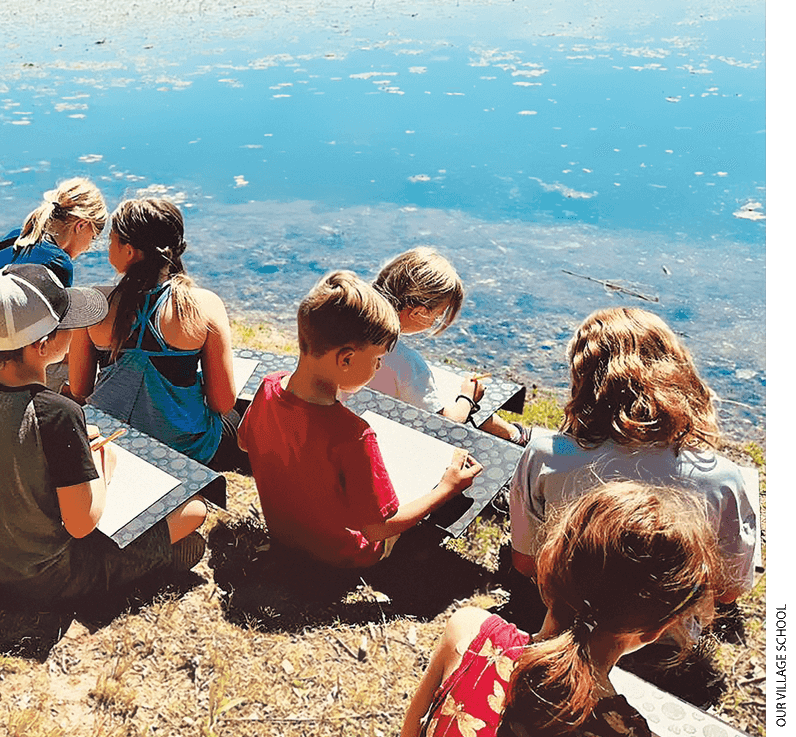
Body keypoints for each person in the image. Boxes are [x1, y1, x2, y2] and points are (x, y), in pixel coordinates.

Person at [0, 264, 208, 602]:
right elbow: (82, 524)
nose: (77, 330)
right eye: (68, 325)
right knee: (194, 511)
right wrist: (101, 469)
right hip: (51, 577)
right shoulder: (59, 414)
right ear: (43, 344)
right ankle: (152, 562)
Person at [401, 480, 727, 737]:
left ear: (546, 569)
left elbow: (411, 730)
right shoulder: (626, 731)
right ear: (656, 629)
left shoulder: (470, 632)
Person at [509, 307, 758, 603]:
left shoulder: (545, 456)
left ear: (583, 379)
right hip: (668, 632)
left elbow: (525, 563)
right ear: (676, 374)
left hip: (565, 609)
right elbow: (730, 590)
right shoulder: (720, 478)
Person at [238, 270, 482, 567]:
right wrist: (448, 487)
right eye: (378, 359)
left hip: (284, 534)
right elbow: (377, 528)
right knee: (437, 488)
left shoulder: (268, 386)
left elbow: (244, 442)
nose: (379, 367)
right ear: (347, 359)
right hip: (343, 554)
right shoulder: (353, 434)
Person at [67, 198, 237, 467]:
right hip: (181, 446)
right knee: (237, 421)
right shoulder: (204, 304)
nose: (107, 247)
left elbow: (79, 387)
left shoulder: (93, 303)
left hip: (111, 440)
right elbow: (222, 403)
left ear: (130, 251)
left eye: (112, 240)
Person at [370, 247, 523, 444]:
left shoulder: (344, 328)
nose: (437, 320)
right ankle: (515, 437)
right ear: (418, 313)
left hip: (362, 418)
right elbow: (444, 425)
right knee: (465, 399)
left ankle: (513, 434)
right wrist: (468, 397)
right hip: (395, 437)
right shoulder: (406, 362)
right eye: (438, 314)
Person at [0, 177, 108, 372]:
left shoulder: (17, 236)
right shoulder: (57, 262)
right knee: (83, 362)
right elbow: (54, 335)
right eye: (93, 236)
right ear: (81, 225)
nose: (89, 246)